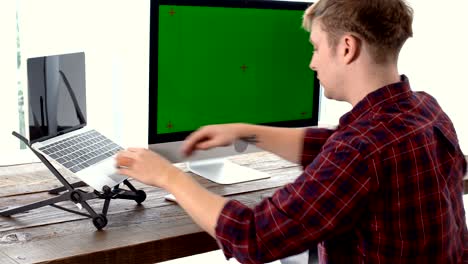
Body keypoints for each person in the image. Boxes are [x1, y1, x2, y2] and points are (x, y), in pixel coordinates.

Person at [116, 0, 468, 263]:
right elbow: (337, 147)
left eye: (315, 47)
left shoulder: (360, 150)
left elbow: (253, 238)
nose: (312, 62)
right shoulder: (424, 109)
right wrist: (246, 132)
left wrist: (168, 177)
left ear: (347, 48)